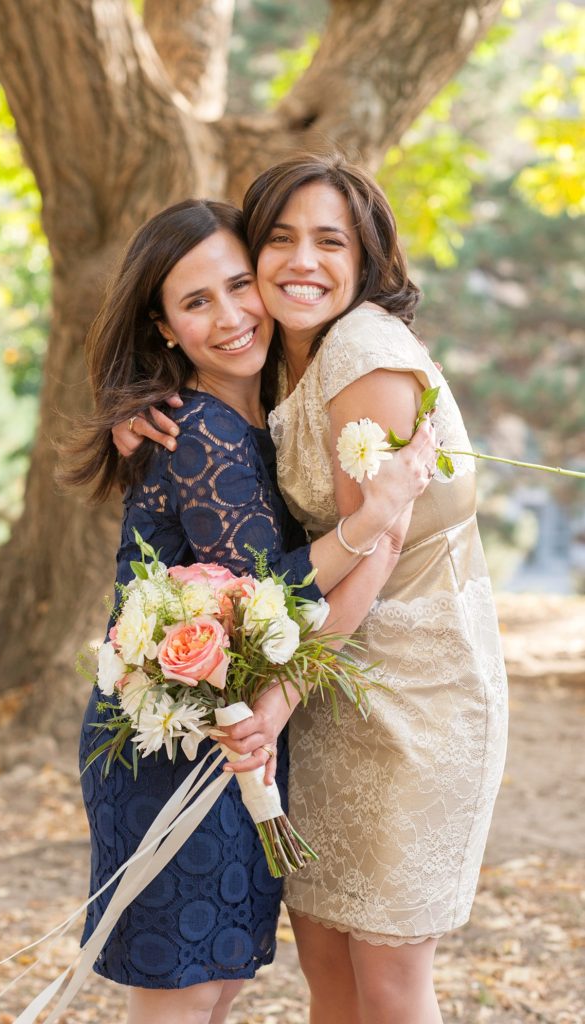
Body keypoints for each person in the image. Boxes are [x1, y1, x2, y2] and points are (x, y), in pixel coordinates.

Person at [115, 154, 509, 1024]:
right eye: (280, 239)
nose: (302, 261)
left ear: (364, 258)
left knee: (389, 983)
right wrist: (143, 404)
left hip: (407, 695)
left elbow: (379, 543)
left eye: (330, 241)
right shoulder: (285, 357)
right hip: (324, 693)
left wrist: (282, 697)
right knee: (328, 974)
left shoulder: (362, 354)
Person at [63, 197, 436, 1024]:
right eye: (196, 302)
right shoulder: (198, 431)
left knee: (214, 983)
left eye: (239, 286)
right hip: (170, 745)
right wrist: (370, 522)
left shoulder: (258, 414)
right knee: (186, 993)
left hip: (222, 731)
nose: (231, 317)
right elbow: (265, 595)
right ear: (163, 327)